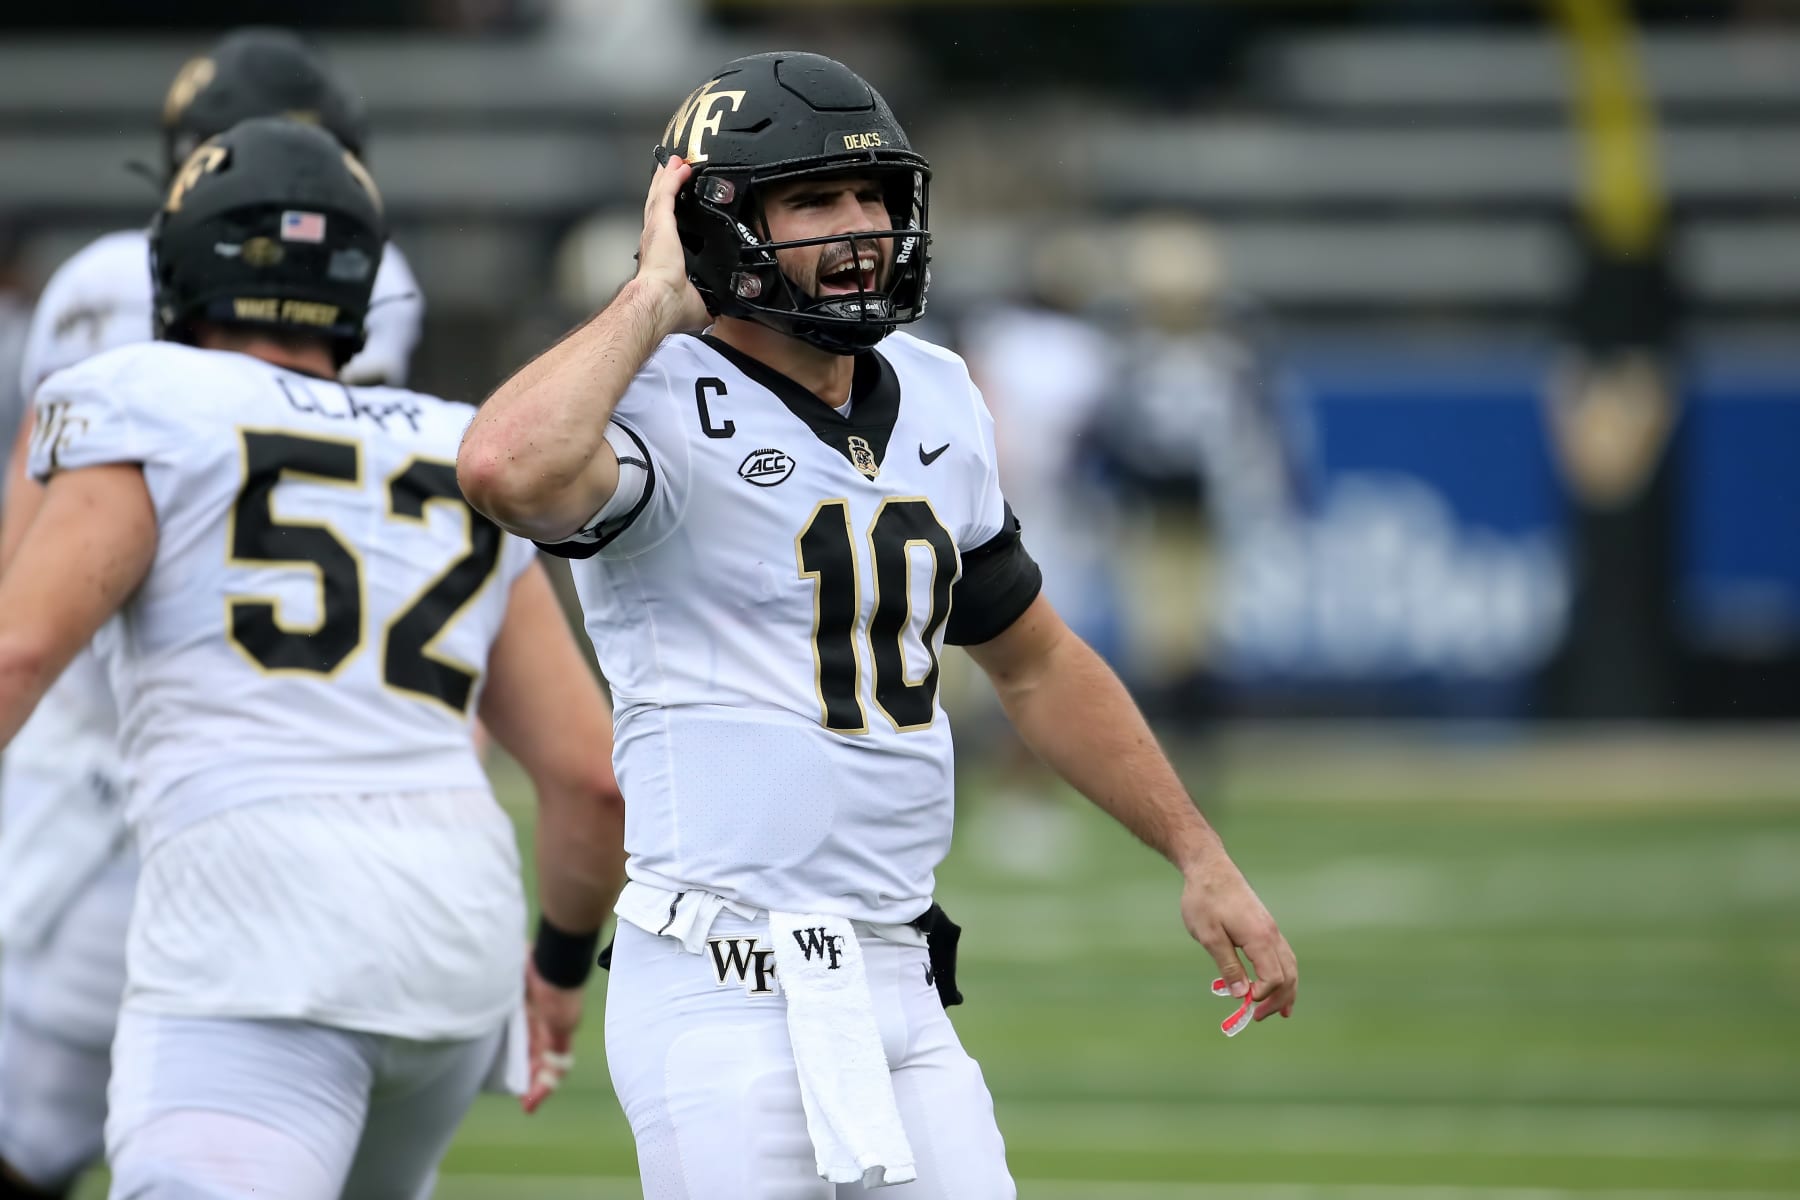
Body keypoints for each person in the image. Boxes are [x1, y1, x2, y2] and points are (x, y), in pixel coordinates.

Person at [459, 51, 1298, 1196]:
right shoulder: (651, 395)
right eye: (813, 199)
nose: (860, 227)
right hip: (719, 983)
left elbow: (1038, 661)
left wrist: (1199, 856)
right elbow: (503, 468)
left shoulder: (940, 389)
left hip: (901, 980)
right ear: (710, 222)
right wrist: (652, 295)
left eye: (873, 196)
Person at [0, 117, 623, 1199]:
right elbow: (591, 777)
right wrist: (559, 971)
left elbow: (15, 657)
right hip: (452, 955)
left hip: (251, 934)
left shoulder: (137, 400)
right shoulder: (459, 443)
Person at [0, 29, 427, 1198]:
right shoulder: (375, 292)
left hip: (82, 757)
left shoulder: (97, 284)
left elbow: (29, 542)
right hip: (279, 775)